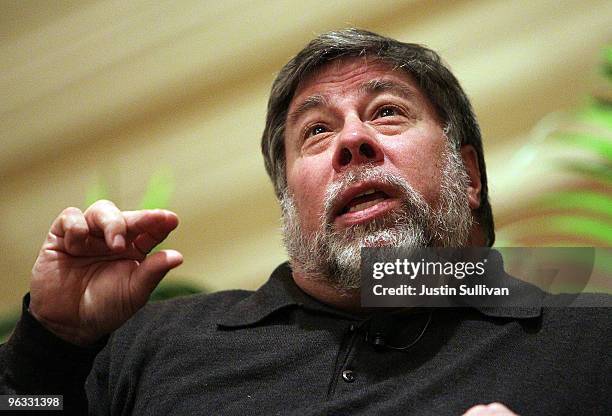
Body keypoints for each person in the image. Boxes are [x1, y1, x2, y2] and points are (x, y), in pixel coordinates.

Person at [1, 29, 609, 415]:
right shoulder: (156, 343)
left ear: (469, 176)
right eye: (315, 131)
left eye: (387, 113)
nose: (352, 140)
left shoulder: (589, 345)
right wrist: (51, 345)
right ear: (289, 198)